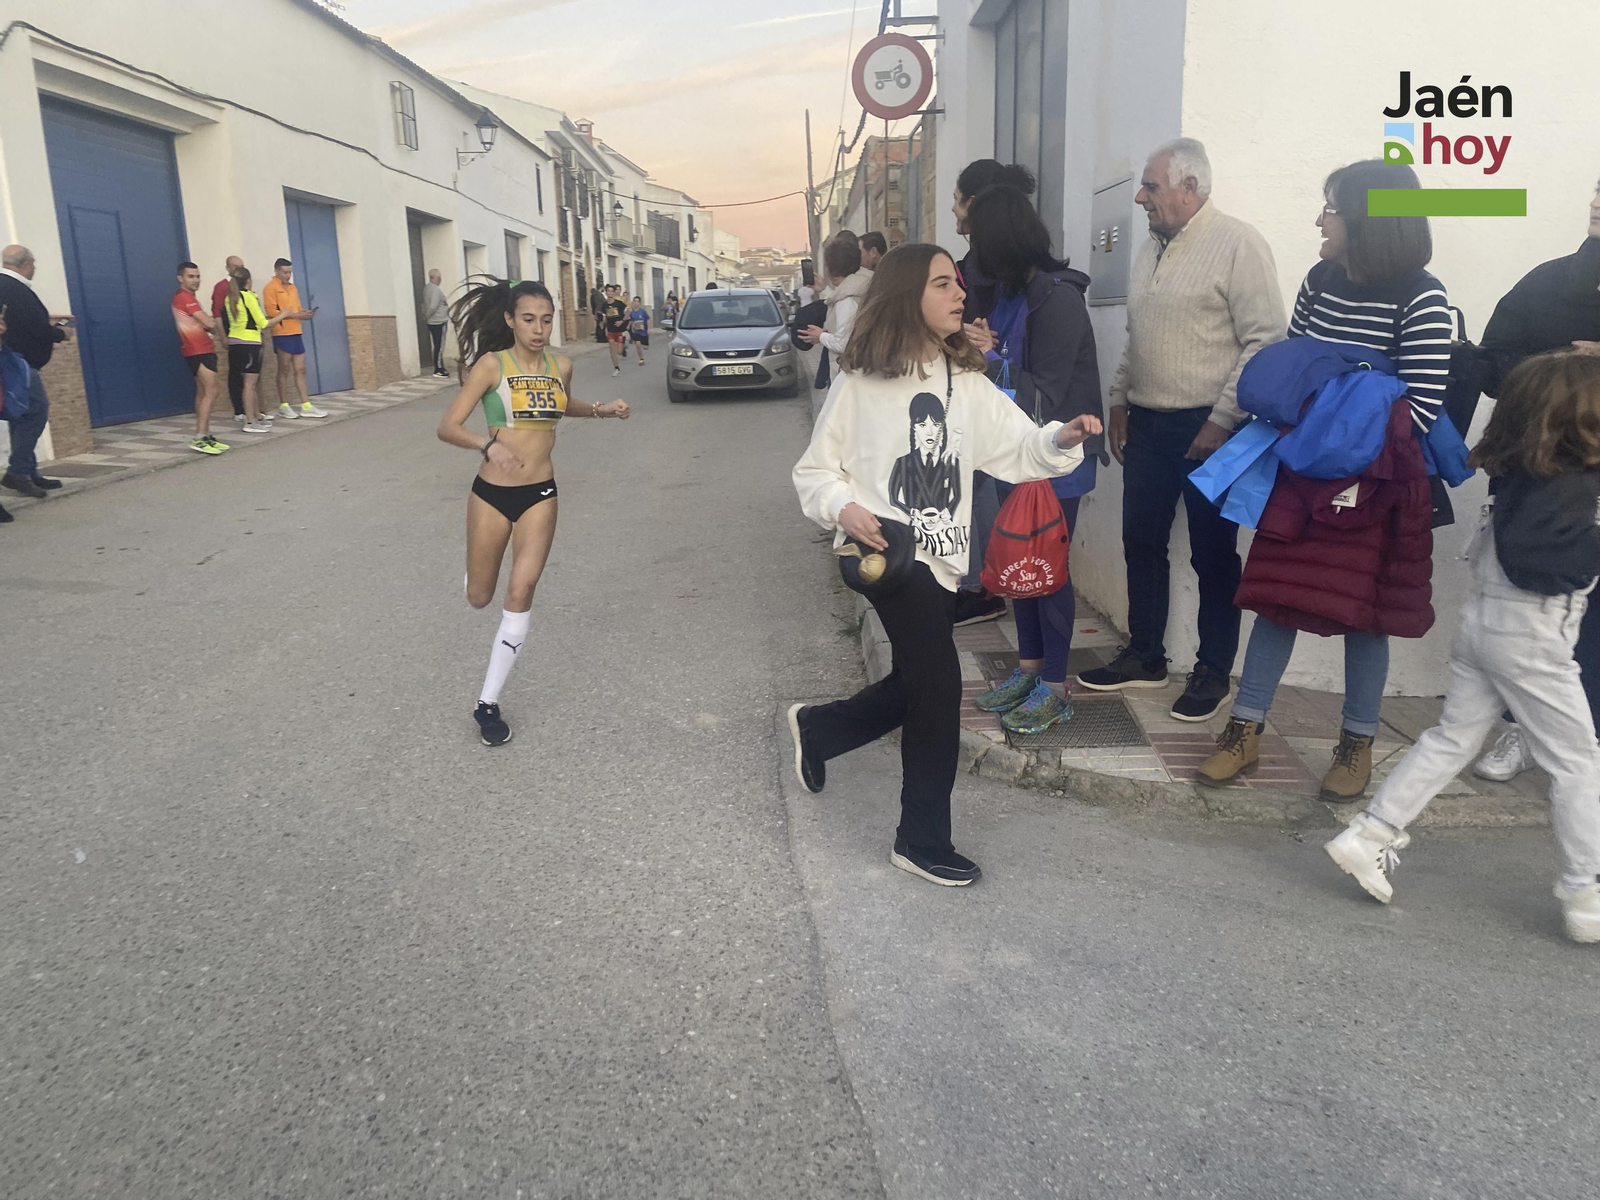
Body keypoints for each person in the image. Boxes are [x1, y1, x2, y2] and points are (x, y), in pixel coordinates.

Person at [790, 243, 1101, 887]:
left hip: (943, 562)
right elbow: (815, 472)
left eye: (958, 282)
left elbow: (1018, 448)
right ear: (910, 296)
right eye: (942, 284)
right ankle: (921, 837)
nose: (960, 294)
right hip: (888, 559)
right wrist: (843, 509)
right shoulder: (860, 380)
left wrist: (1059, 439)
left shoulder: (966, 382)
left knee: (916, 684)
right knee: (939, 690)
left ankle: (820, 729)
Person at [1196, 159, 1453, 799]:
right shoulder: (1321, 281)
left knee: (1364, 614)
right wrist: (1342, 401)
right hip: (1302, 472)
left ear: (1369, 219)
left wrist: (1334, 416)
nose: (1320, 219)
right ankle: (1245, 730)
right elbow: (1293, 374)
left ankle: (1356, 743)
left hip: (1375, 486)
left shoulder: (1423, 298)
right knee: (1276, 598)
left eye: (1330, 207)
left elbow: (1419, 406)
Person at [1324, 352, 1600, 943]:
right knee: (1577, 761)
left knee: (1453, 737)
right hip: (1531, 637)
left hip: (1485, 626)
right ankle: (1586, 891)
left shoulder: (1525, 470)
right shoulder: (1570, 488)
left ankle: (1370, 835)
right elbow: (1543, 566)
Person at [1075, 138, 1285, 724]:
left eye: (1151, 186)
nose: (1141, 197)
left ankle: (1213, 671)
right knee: (1140, 541)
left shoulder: (1239, 244)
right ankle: (1146, 656)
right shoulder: (1152, 248)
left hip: (1210, 429)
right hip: (1148, 423)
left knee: (1213, 556)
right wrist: (1119, 399)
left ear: (1191, 188)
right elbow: (1140, 338)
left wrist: (1221, 420)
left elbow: (1266, 339)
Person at [436, 278, 630, 747]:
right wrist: (488, 445)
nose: (539, 329)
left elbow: (562, 408)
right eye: (528, 319)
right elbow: (447, 427)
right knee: (480, 596)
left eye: (546, 320)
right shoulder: (491, 366)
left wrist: (603, 410)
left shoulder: (560, 366)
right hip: (491, 494)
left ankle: (487, 704)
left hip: (541, 493)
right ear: (510, 320)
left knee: (521, 591)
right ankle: (476, 570)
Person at [1467, 176, 1600, 784]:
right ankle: (1523, 732)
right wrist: (1555, 371)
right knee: (1536, 611)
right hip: (1541, 475)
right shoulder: (1547, 281)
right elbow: (1496, 363)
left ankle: (1581, 753)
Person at [961, 185, 1104, 736]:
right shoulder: (1005, 297)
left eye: (977, 240)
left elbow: (1044, 394)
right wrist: (980, 346)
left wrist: (990, 356)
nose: (971, 255)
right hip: (1011, 455)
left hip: (1059, 458)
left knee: (1048, 570)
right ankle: (1028, 669)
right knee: (1018, 567)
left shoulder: (1058, 299)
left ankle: (1056, 685)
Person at [949, 159, 1037, 628]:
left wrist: (984, 346)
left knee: (979, 482)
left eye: (958, 199)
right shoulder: (993, 271)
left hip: (998, 395)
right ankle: (984, 583)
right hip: (990, 391)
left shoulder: (986, 273)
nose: (953, 208)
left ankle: (981, 586)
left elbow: (993, 341)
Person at [0, 244, 68, 502]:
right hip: (19, 365)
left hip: (12, 362)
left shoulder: (5, 287)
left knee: (22, 415)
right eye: (34, 263)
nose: (35, 268)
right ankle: (17, 472)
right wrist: (61, 333)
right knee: (36, 412)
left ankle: (28, 471)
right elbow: (37, 328)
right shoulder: (16, 290)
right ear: (25, 263)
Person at [223, 265, 294, 434]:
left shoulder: (229, 298)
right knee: (250, 384)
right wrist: (283, 315)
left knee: (247, 383)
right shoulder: (248, 297)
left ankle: (256, 416)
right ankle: (249, 421)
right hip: (249, 343)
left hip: (235, 343)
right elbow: (263, 323)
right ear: (248, 280)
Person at [172, 261, 229, 455]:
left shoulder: (188, 298)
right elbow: (208, 322)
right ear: (180, 278)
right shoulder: (185, 298)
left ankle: (204, 434)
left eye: (197, 276)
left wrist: (209, 324)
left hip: (197, 349)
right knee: (212, 391)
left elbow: (205, 324)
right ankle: (199, 436)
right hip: (199, 350)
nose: (196, 280)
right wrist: (214, 322)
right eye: (191, 276)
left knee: (203, 392)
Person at [262, 258, 326, 420]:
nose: (288, 275)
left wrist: (304, 313)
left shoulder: (293, 288)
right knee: (284, 369)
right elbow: (271, 312)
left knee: (301, 369)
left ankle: (306, 405)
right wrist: (294, 315)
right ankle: (284, 405)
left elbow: (296, 308)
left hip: (296, 331)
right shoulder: (270, 288)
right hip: (282, 332)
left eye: (290, 272)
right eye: (285, 272)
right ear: (276, 271)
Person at [797, 234, 871, 357]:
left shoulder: (846, 301)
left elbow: (842, 343)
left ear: (831, 270)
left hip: (847, 369)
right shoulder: (864, 285)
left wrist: (820, 336)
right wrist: (824, 289)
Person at [210, 255, 246, 422]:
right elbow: (217, 314)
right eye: (235, 266)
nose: (238, 269)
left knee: (250, 375)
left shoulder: (245, 287)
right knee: (235, 373)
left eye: (241, 266)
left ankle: (251, 407)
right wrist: (223, 337)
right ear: (228, 268)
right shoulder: (221, 287)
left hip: (248, 337)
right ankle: (238, 409)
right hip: (232, 336)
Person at [421, 268, 450, 377]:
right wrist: (428, 316)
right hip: (439, 321)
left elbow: (423, 304)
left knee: (436, 345)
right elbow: (433, 306)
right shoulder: (436, 290)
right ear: (438, 278)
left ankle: (440, 366)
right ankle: (438, 369)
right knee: (439, 346)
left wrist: (425, 317)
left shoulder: (426, 288)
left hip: (432, 322)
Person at [603, 283, 630, 376]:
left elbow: (628, 312)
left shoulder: (619, 304)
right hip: (610, 329)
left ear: (614, 293)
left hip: (620, 330)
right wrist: (605, 328)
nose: (610, 293)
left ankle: (624, 344)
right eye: (608, 291)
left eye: (611, 291)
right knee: (611, 346)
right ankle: (616, 368)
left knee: (619, 352)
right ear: (606, 292)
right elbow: (605, 317)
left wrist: (621, 321)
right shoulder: (604, 305)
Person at [628, 294, 649, 364]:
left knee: (645, 347)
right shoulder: (631, 312)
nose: (636, 303)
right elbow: (631, 320)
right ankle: (641, 358)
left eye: (637, 301)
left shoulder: (643, 311)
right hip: (636, 331)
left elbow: (648, 319)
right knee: (637, 344)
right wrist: (629, 326)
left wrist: (648, 329)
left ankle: (645, 345)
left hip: (643, 331)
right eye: (635, 301)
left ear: (639, 303)